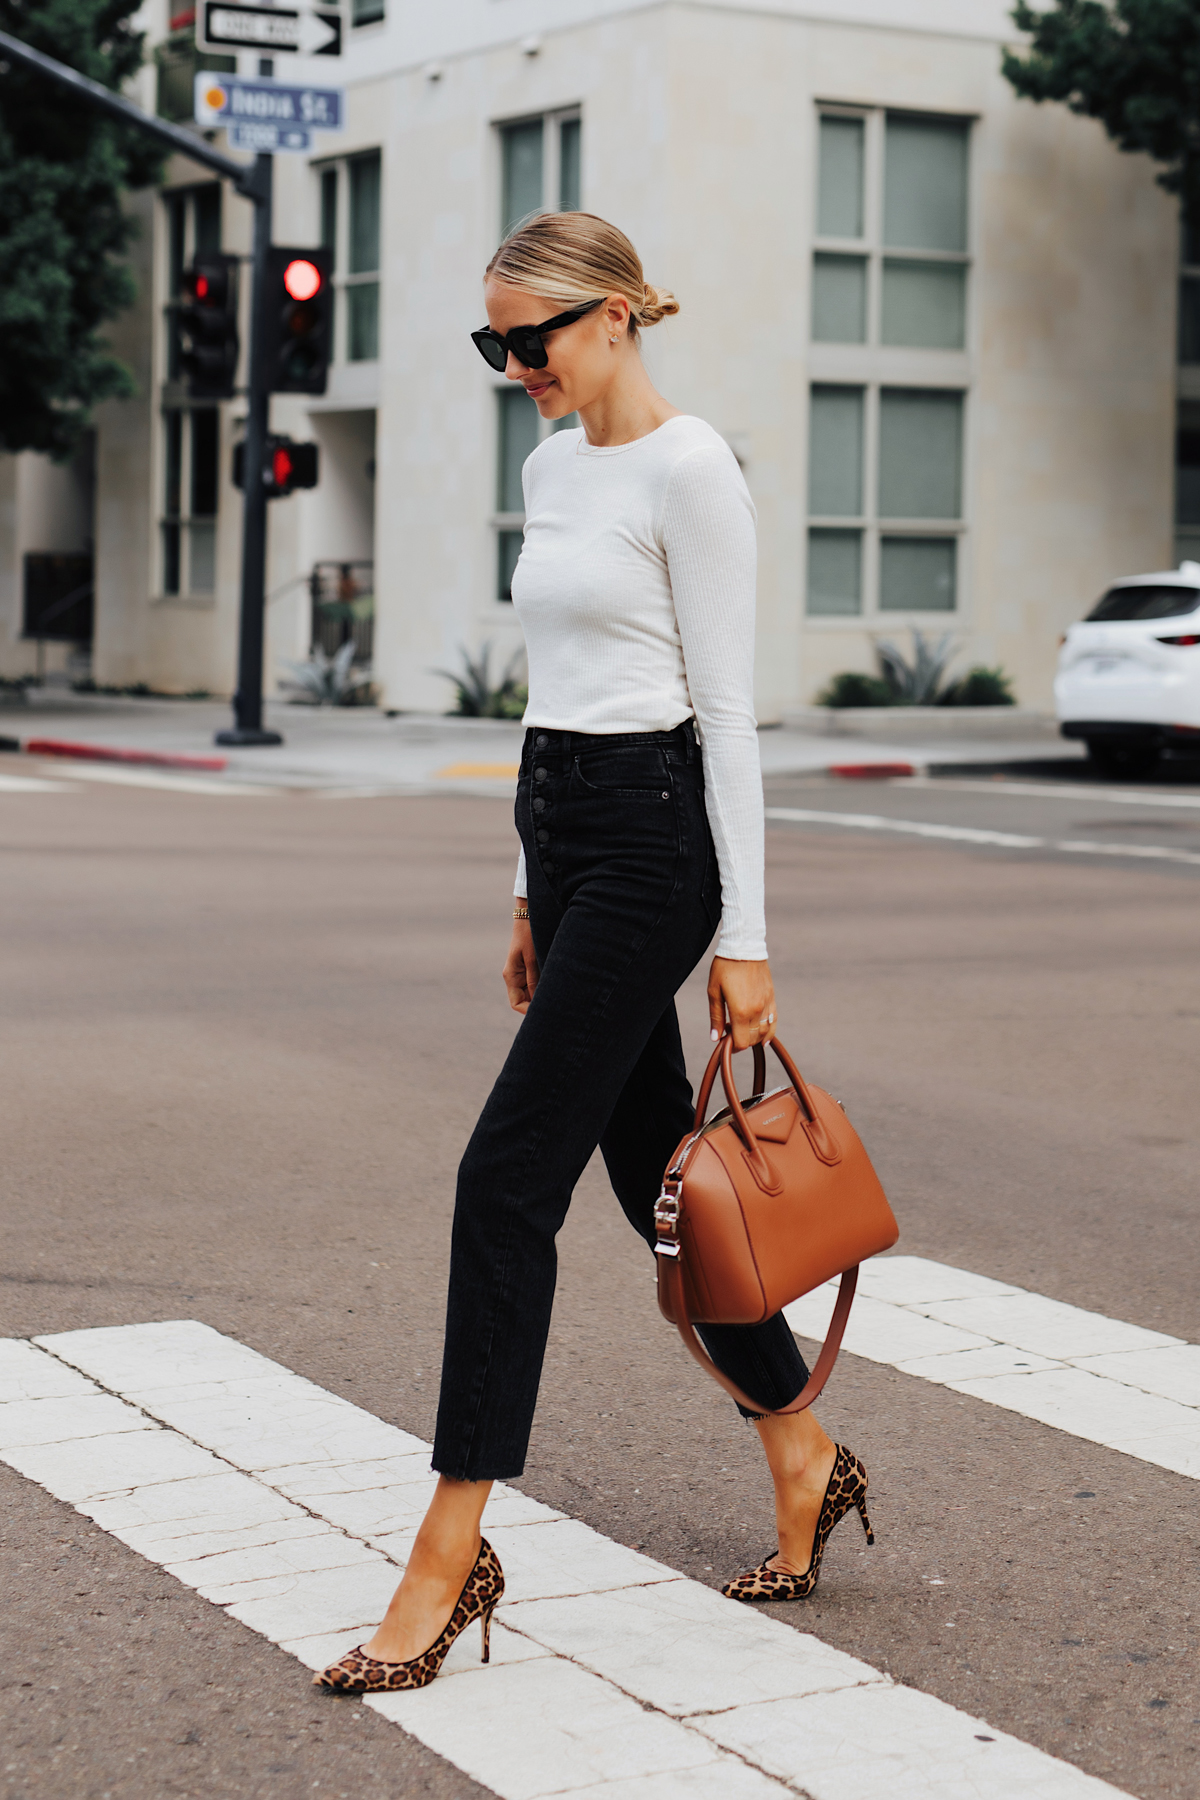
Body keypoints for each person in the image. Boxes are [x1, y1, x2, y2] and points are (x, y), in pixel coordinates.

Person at [315, 213, 872, 1696]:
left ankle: (450, 1554)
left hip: (651, 846)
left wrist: (745, 939)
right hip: (562, 833)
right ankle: (801, 1443)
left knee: (504, 1179)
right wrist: (520, 889)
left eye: (531, 339)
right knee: (651, 1182)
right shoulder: (552, 463)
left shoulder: (694, 471)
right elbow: (550, 691)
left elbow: (731, 719)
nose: (513, 367)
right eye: (491, 343)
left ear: (614, 315)